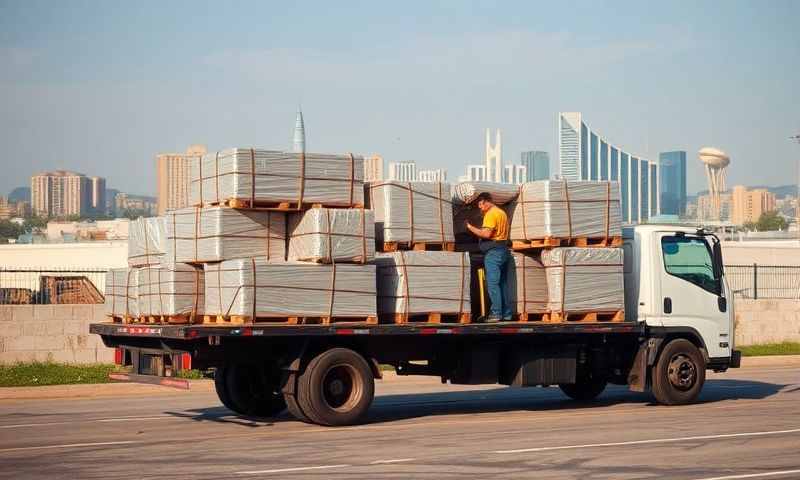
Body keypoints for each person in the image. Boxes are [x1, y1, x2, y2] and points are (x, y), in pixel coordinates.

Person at [465, 192, 512, 322]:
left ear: (486, 201)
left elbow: (486, 234)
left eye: (480, 204)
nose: (480, 207)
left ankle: (496, 313)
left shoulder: (491, 214)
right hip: (503, 250)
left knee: (492, 284)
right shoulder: (501, 213)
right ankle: (506, 313)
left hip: (493, 253)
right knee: (502, 283)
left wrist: (470, 227)